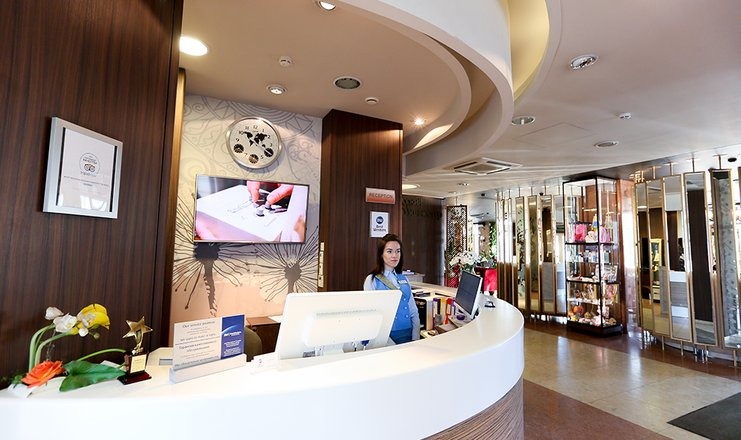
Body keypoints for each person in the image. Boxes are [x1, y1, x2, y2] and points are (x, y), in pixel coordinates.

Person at [363, 234, 420, 344]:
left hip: (408, 335)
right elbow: (370, 314)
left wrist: (415, 337)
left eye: (398, 251)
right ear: (381, 254)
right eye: (389, 251)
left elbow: (413, 311)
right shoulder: (372, 280)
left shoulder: (404, 279)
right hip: (385, 337)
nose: (394, 255)